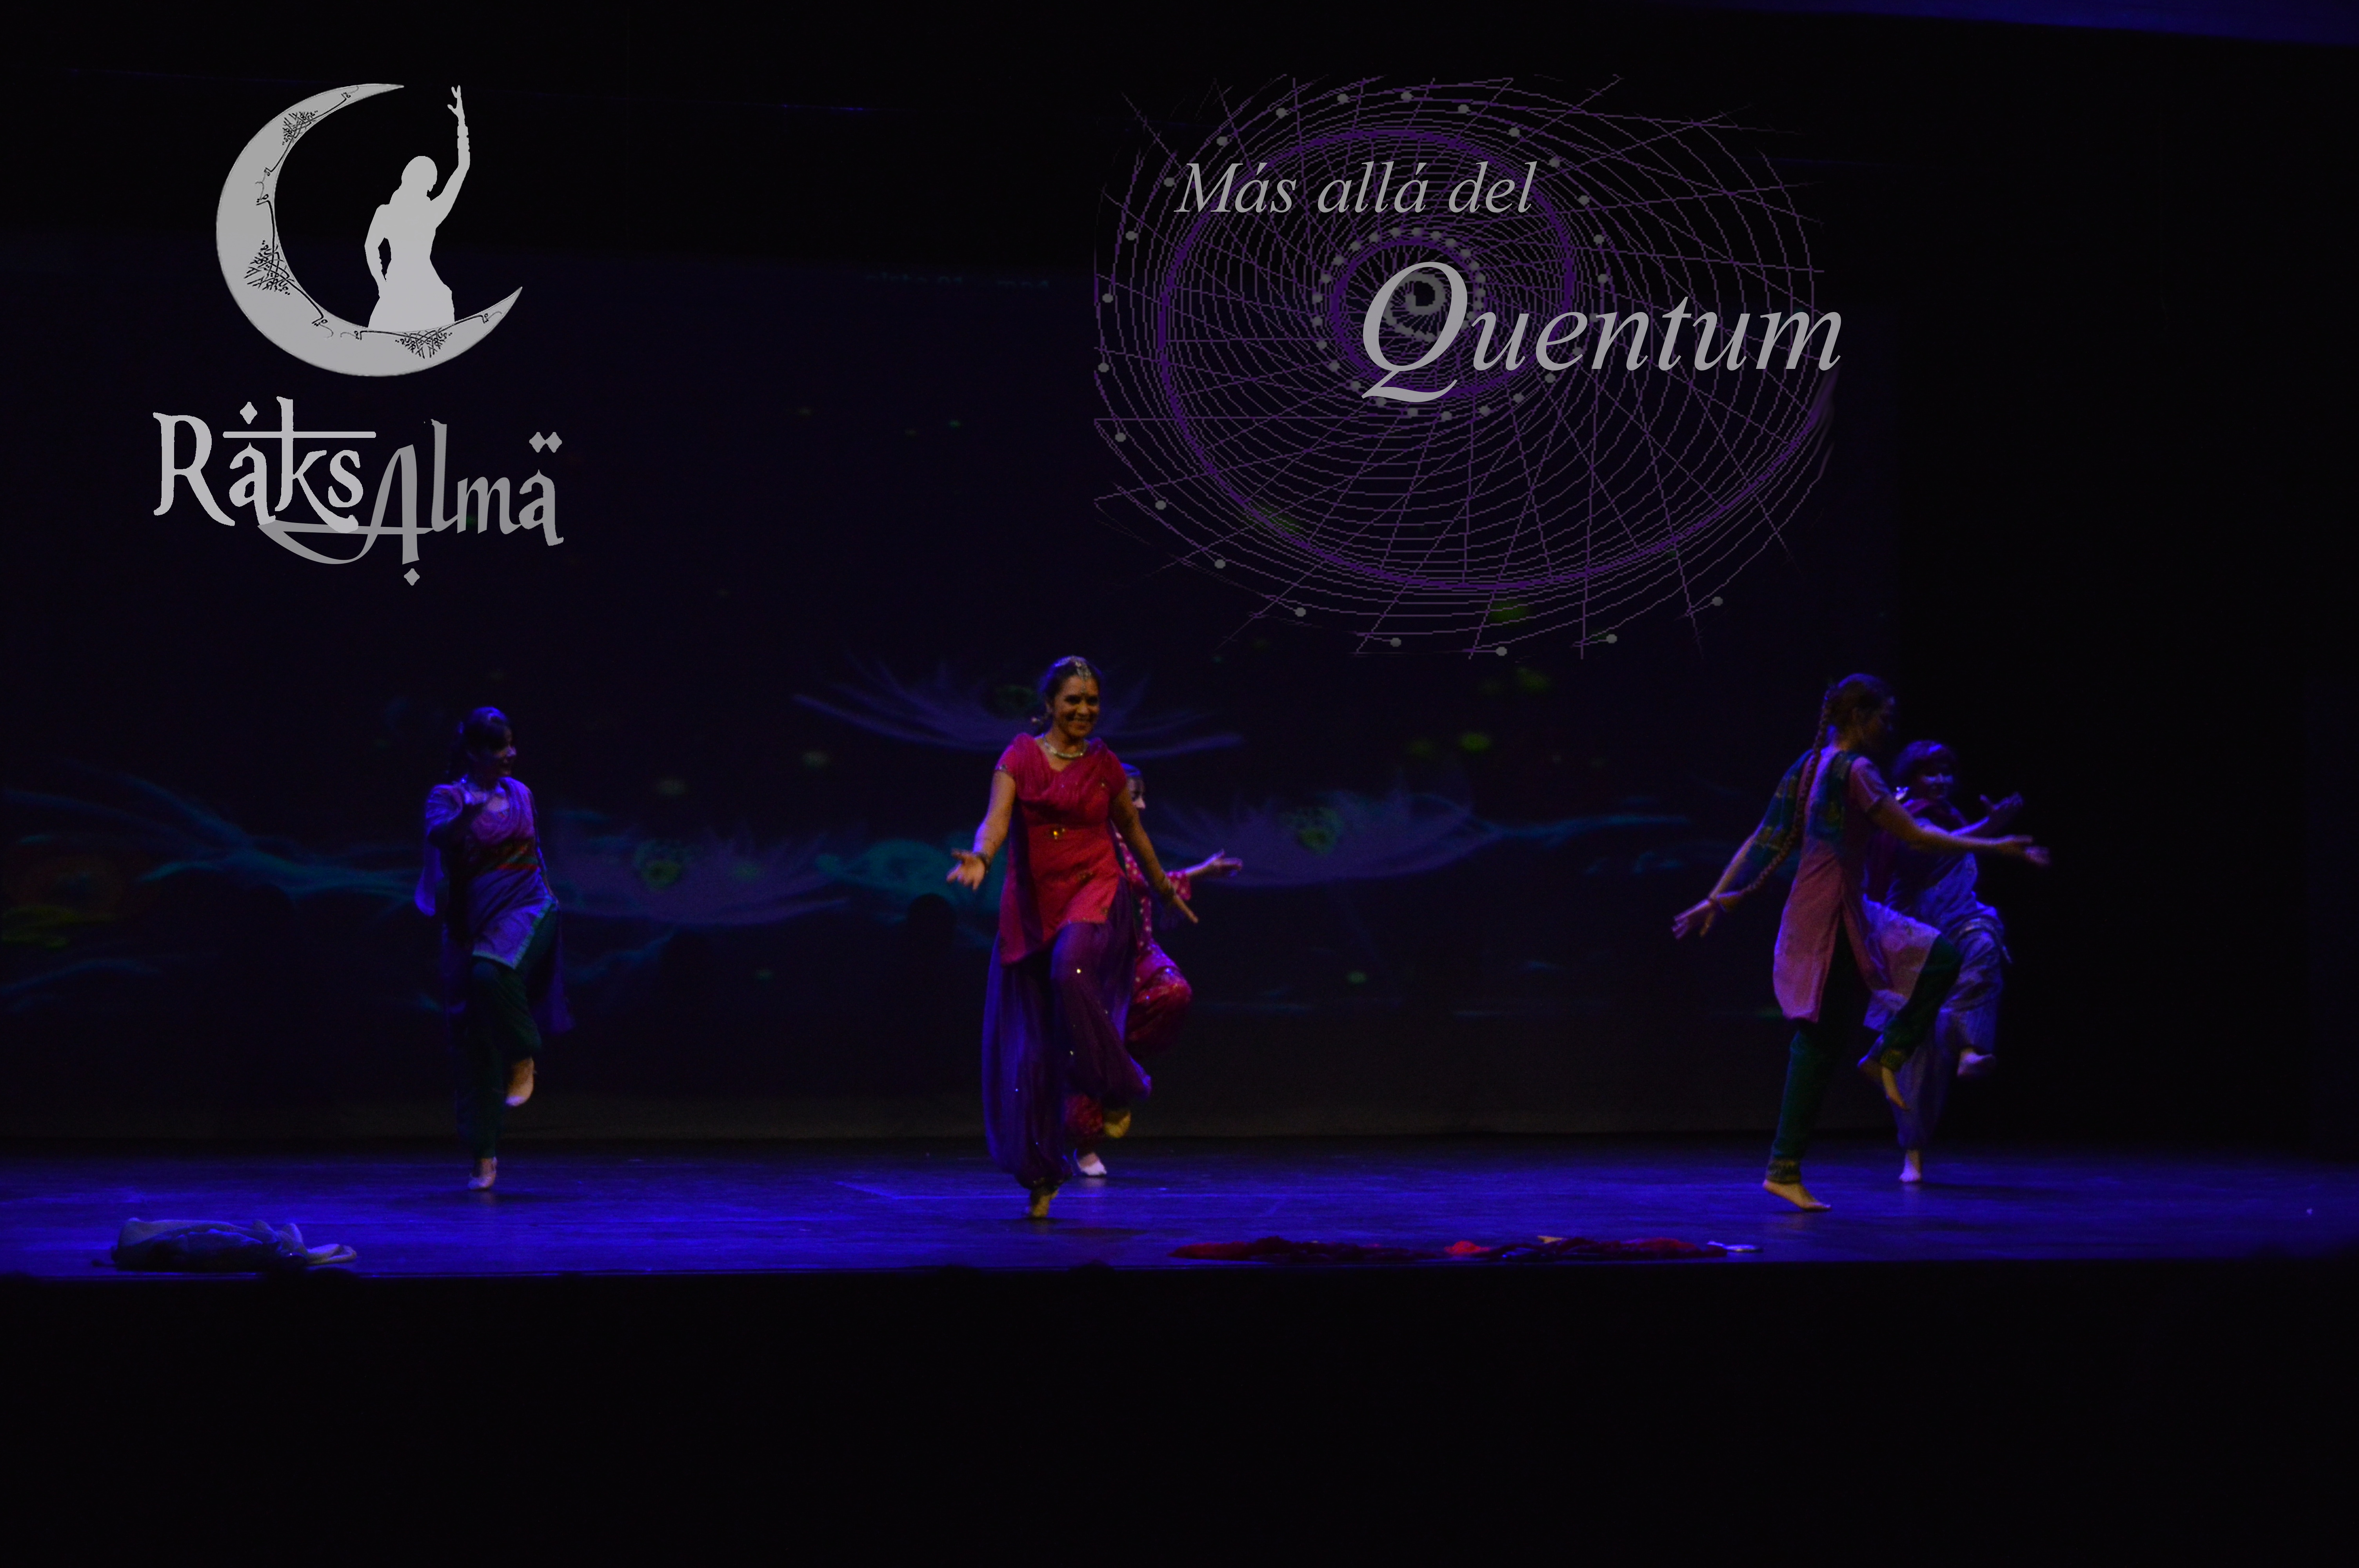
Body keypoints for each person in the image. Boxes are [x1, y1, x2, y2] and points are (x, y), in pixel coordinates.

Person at [1672, 675, 2048, 1211]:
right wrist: (1997, 845)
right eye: (1883, 718)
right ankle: (1788, 1162)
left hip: (1836, 908)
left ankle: (1878, 1065)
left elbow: (1763, 839)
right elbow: (1914, 835)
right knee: (1822, 1038)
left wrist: (1718, 898)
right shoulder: (1857, 771)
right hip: (1831, 914)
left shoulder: (1810, 764)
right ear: (1858, 718)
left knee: (1932, 964)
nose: (1888, 729)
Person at [947, 658, 1196, 1218]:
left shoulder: (1104, 765)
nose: (1084, 710)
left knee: (1070, 970)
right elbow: (997, 820)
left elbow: (1133, 831)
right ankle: (1041, 1174)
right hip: (1035, 905)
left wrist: (1162, 887)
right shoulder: (1019, 757)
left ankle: (1117, 1082)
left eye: (1092, 701)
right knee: (1034, 1049)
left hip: (1094, 889)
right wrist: (982, 856)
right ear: (1050, 705)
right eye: (1073, 701)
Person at [417, 707, 568, 1190]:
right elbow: (441, 836)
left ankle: (524, 1054)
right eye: (500, 747)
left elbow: (535, 852)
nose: (511, 754)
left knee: (491, 973)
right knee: (472, 1040)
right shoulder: (447, 798)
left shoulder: (520, 792)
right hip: (472, 925)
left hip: (528, 906)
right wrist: (469, 814)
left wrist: (551, 899)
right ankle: (483, 1154)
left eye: (511, 744)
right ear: (474, 752)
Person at [1074, 764, 1242, 1178]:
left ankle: (1120, 1067)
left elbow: (1150, 881)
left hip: (1139, 953)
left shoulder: (1131, 841)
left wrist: (1201, 872)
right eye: (1135, 797)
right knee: (1088, 1047)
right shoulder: (1095, 842)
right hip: (1101, 960)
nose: (1144, 805)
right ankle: (1085, 1142)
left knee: (1173, 994)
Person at [1872, 741, 2021, 1183]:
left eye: (1945, 772)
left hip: (1958, 921)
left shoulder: (1951, 817)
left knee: (1984, 943)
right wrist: (1990, 828)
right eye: (1930, 772)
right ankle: (1913, 1150)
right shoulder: (1904, 814)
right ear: (1912, 777)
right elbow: (1922, 850)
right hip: (1915, 933)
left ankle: (1970, 1049)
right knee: (1917, 1050)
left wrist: (1987, 829)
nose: (1940, 781)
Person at [365, 86, 472, 331]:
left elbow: (371, 248)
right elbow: (462, 168)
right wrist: (461, 126)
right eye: (428, 181)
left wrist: (381, 283)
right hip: (411, 286)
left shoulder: (415, 213)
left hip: (413, 286)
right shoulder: (420, 213)